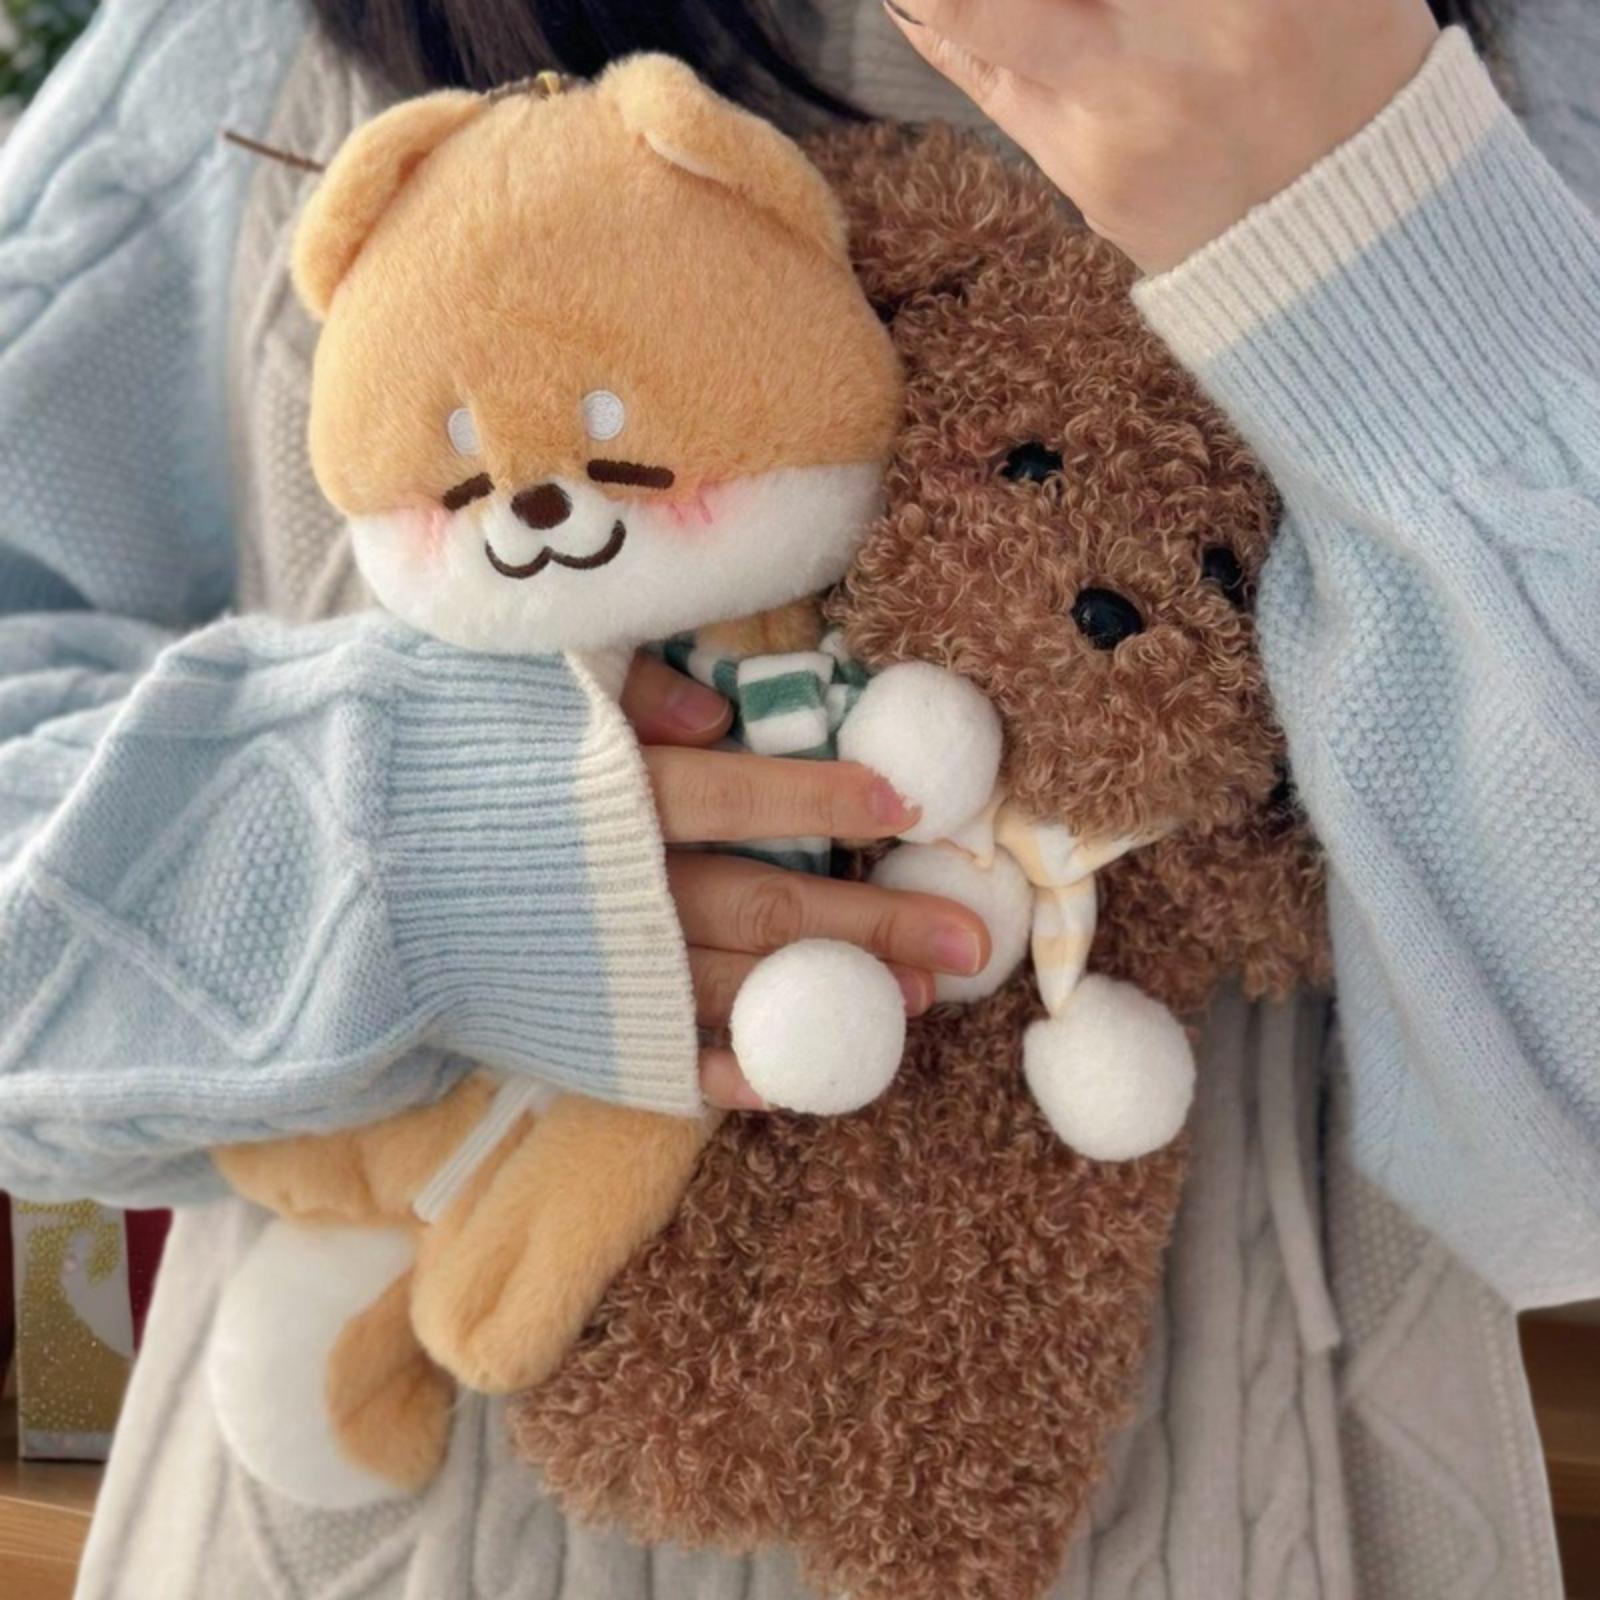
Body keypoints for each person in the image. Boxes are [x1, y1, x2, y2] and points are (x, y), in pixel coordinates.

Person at [0, 0, 1594, 1595]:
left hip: (1242, 1516)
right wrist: (418, 842)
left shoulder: (1514, 56)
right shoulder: (254, 51)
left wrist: (1387, 230)